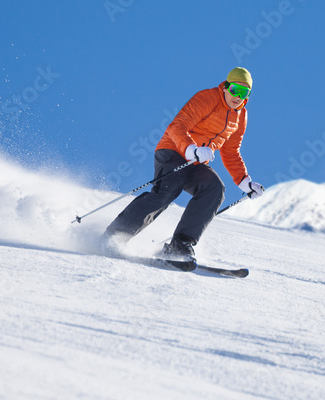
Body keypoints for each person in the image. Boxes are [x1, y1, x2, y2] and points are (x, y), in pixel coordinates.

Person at [103, 67, 265, 263]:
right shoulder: (208, 98)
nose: (238, 97)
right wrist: (191, 149)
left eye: (244, 93)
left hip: (196, 162)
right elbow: (177, 126)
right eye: (235, 90)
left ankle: (180, 245)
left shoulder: (241, 117)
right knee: (168, 190)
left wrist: (244, 181)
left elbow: (230, 151)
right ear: (225, 87)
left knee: (214, 188)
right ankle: (113, 236)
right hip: (173, 151)